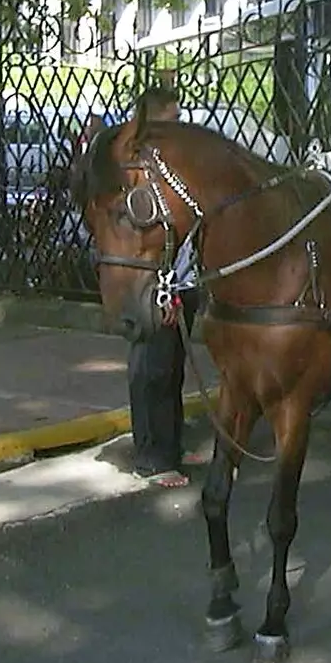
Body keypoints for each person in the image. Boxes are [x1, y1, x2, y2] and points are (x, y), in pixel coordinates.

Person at [124, 84, 206, 488]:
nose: (179, 124)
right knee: (151, 367)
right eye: (172, 118)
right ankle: (151, 456)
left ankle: (170, 446)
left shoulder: (174, 164)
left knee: (172, 368)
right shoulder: (138, 166)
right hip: (154, 279)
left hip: (183, 277)